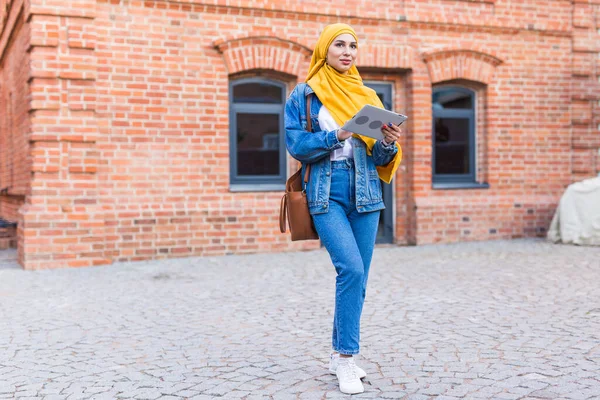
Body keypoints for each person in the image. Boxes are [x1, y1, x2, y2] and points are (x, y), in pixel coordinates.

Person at [284, 23, 403, 394]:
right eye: (339, 44)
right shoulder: (304, 95)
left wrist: (387, 142)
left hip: (366, 192)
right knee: (349, 268)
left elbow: (380, 156)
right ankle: (347, 359)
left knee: (359, 278)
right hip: (325, 190)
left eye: (353, 45)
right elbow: (297, 146)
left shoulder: (366, 95)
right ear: (324, 49)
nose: (347, 51)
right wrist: (337, 134)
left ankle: (338, 355)